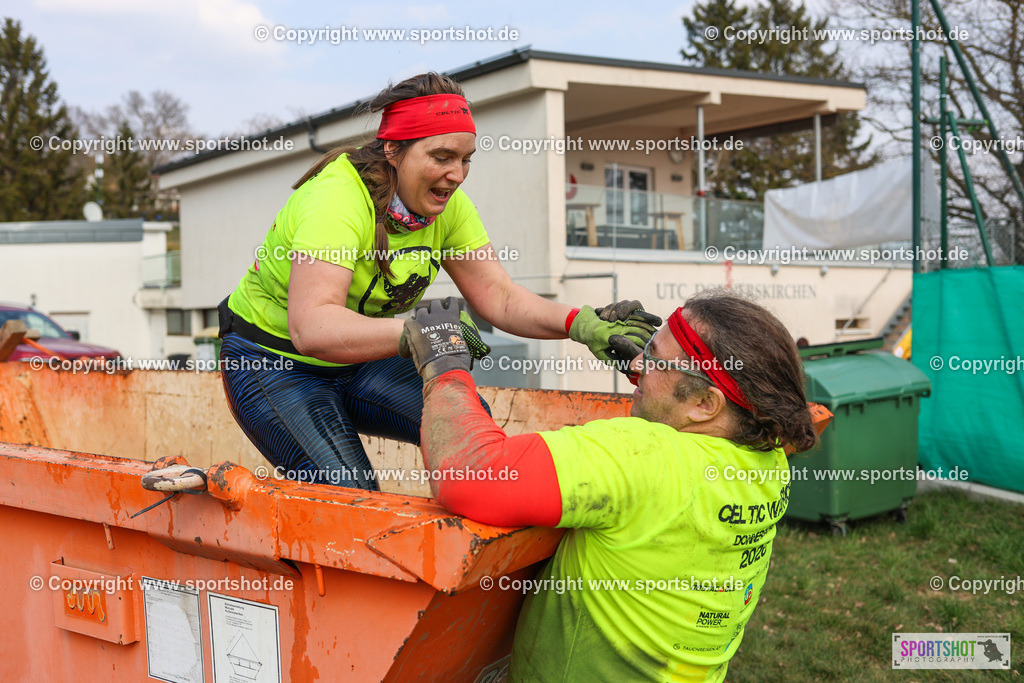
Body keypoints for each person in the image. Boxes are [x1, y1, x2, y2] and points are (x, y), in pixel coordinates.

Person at [217, 72, 660, 490]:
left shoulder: (449, 207)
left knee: (475, 436)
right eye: (441, 157)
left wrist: (581, 324)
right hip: (274, 361)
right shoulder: (336, 200)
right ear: (393, 150)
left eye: (466, 159)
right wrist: (418, 330)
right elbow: (311, 329)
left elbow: (499, 296)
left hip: (358, 357)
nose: (457, 174)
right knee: (350, 493)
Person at [399, 290, 822, 681]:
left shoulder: (647, 457)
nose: (637, 366)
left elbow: (472, 473)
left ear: (705, 404)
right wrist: (657, 377)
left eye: (653, 359)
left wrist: (445, 369)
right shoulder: (766, 462)